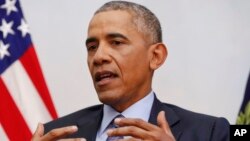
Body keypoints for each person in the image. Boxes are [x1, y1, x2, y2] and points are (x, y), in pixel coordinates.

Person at [32, 1, 230, 141]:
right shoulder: (54, 135)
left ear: (155, 57)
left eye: (116, 42)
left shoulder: (213, 132)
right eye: (92, 47)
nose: (99, 56)